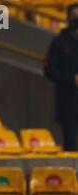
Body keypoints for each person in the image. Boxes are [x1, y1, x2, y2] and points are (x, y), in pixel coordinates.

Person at [45, 3, 78, 151]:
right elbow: (49, 70)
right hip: (68, 103)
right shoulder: (59, 42)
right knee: (70, 143)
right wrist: (72, 79)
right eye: (75, 17)